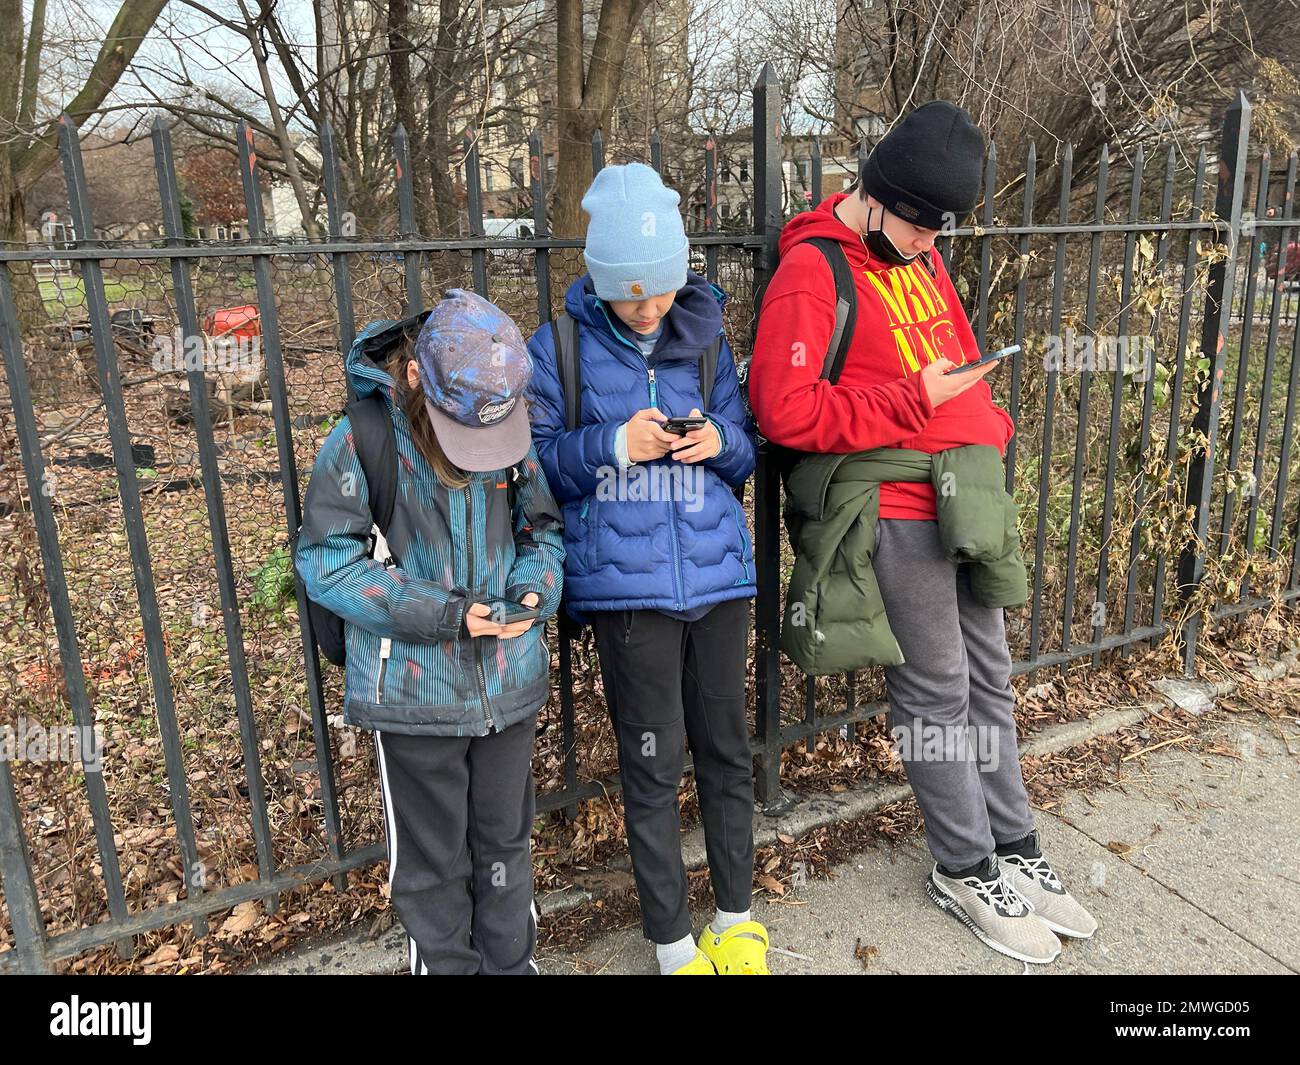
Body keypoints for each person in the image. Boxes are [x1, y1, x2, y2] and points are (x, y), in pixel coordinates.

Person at [748, 102, 1098, 965]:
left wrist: (990, 422)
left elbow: (956, 357)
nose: (922, 243)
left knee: (991, 679)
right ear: (874, 193)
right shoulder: (812, 272)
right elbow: (783, 411)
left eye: (936, 230)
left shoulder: (926, 255)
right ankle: (964, 864)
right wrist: (916, 404)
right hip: (898, 509)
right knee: (938, 692)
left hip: (965, 493)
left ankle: (1015, 846)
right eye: (912, 223)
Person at [526, 162, 769, 974]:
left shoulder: (707, 339)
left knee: (727, 752)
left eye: (661, 292)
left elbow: (745, 447)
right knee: (654, 764)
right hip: (629, 596)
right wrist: (612, 444)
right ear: (599, 282)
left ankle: (736, 920)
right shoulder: (557, 347)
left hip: (718, 579)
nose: (649, 308)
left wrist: (718, 442)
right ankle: (671, 942)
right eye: (633, 296)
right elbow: (532, 465)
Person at [295, 289, 565, 974]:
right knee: (433, 860)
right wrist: (441, 614)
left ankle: (513, 965)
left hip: (508, 682)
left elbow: (544, 531)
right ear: (416, 376)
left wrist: (536, 586)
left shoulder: (508, 422)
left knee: (506, 842)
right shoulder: (362, 439)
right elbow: (326, 562)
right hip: (414, 697)